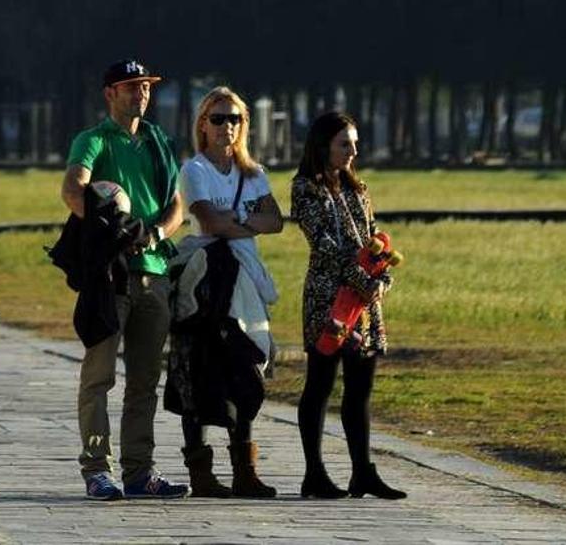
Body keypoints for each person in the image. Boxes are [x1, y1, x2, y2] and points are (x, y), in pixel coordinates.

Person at [59, 59, 189, 501]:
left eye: (147, 87)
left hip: (154, 274)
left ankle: (140, 472)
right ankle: (97, 469)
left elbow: (175, 205)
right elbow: (73, 190)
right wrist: (108, 226)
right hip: (110, 276)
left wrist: (154, 232)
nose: (141, 94)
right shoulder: (93, 140)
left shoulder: (158, 141)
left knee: (144, 382)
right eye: (131, 87)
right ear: (110, 93)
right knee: (98, 377)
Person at [169, 87, 283, 498]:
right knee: (197, 369)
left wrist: (234, 219)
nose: (226, 127)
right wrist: (246, 221)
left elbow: (277, 221)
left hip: (244, 282)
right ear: (203, 124)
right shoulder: (194, 169)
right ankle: (201, 472)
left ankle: (244, 470)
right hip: (205, 281)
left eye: (234, 119)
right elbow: (208, 223)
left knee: (245, 365)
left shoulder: (254, 174)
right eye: (218, 118)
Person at [291, 111, 406, 500]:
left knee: (360, 388)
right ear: (323, 146)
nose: (353, 152)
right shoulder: (306, 188)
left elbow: (374, 239)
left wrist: (382, 278)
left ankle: (363, 472)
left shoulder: (359, 189)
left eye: (355, 144)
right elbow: (324, 245)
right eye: (345, 144)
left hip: (365, 302)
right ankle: (314, 474)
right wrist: (364, 280)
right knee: (320, 384)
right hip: (328, 302)